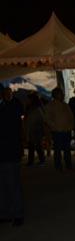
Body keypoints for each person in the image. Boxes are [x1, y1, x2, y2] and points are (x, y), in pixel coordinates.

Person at [0, 87, 25, 226]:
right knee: (4, 185)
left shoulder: (13, 107)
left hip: (9, 152)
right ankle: (6, 213)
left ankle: (17, 213)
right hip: (7, 152)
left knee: (12, 183)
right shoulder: (7, 107)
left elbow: (14, 129)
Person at [44, 88, 74, 171]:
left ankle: (68, 165)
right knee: (57, 150)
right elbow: (47, 118)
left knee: (67, 149)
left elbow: (71, 116)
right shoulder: (50, 105)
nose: (62, 95)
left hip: (66, 130)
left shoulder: (65, 105)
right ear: (55, 95)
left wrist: (71, 126)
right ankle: (58, 166)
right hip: (57, 131)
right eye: (60, 94)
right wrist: (54, 126)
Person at [24, 92, 46, 166]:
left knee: (37, 145)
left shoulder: (36, 109)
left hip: (35, 129)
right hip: (35, 129)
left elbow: (35, 120)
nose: (27, 100)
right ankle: (32, 161)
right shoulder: (33, 108)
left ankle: (40, 160)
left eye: (29, 99)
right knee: (32, 145)